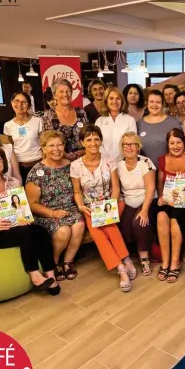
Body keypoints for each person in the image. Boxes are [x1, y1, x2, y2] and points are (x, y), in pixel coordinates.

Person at [0, 145, 60, 295]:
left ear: (4, 161)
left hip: (14, 226)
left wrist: (23, 218)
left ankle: (51, 274)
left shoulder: (13, 183)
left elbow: (20, 208)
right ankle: (35, 275)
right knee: (26, 233)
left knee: (40, 230)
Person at [70, 124, 136, 292]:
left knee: (108, 224)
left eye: (96, 139)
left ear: (101, 142)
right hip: (91, 207)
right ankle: (122, 265)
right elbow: (77, 191)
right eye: (89, 139)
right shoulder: (76, 165)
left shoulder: (109, 160)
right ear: (82, 142)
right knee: (97, 232)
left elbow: (115, 188)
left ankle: (124, 262)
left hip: (113, 202)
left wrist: (110, 207)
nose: (93, 143)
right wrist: (81, 206)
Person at [26, 131, 85, 281]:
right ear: (43, 148)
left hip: (70, 208)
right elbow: (32, 204)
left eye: (60, 144)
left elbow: (79, 189)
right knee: (64, 231)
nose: (57, 149)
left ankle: (68, 262)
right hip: (46, 212)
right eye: (51, 145)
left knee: (78, 225)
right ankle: (53, 262)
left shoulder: (71, 166)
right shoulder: (37, 172)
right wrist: (53, 213)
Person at [156, 128, 185, 282]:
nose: (176, 146)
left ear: (184, 143)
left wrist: (181, 197)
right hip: (169, 201)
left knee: (175, 218)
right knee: (161, 216)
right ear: (167, 145)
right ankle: (165, 261)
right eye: (172, 143)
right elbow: (160, 186)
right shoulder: (162, 160)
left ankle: (175, 263)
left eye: (179, 142)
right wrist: (161, 198)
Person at [117, 132, 156, 276]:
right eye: (126, 144)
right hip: (127, 200)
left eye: (132, 144)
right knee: (124, 226)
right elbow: (116, 188)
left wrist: (144, 210)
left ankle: (144, 258)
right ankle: (128, 258)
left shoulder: (145, 162)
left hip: (146, 200)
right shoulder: (118, 164)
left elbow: (151, 189)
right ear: (122, 147)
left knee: (139, 222)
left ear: (138, 146)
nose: (129, 147)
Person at [42, 78, 89, 161]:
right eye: (61, 91)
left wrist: (84, 151)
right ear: (54, 95)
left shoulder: (81, 112)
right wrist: (65, 155)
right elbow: (47, 142)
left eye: (68, 91)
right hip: (59, 162)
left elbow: (88, 136)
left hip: (82, 161)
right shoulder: (48, 116)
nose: (65, 94)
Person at [4, 91, 43, 183]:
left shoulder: (37, 121)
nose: (20, 105)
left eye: (24, 102)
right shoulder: (8, 125)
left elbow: (43, 143)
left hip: (36, 163)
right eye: (16, 101)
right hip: (17, 166)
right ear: (11, 103)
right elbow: (11, 146)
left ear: (29, 105)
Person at [137, 90, 181, 165]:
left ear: (163, 104)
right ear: (147, 104)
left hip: (168, 169)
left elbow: (181, 146)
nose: (154, 105)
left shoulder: (173, 122)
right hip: (145, 171)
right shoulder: (139, 124)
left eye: (158, 102)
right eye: (151, 102)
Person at [95, 86, 137, 161]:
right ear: (106, 101)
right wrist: (108, 161)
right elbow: (97, 144)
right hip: (104, 163)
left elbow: (132, 143)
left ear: (122, 101)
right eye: (111, 98)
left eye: (118, 98)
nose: (115, 102)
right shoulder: (99, 121)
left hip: (125, 163)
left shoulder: (130, 120)